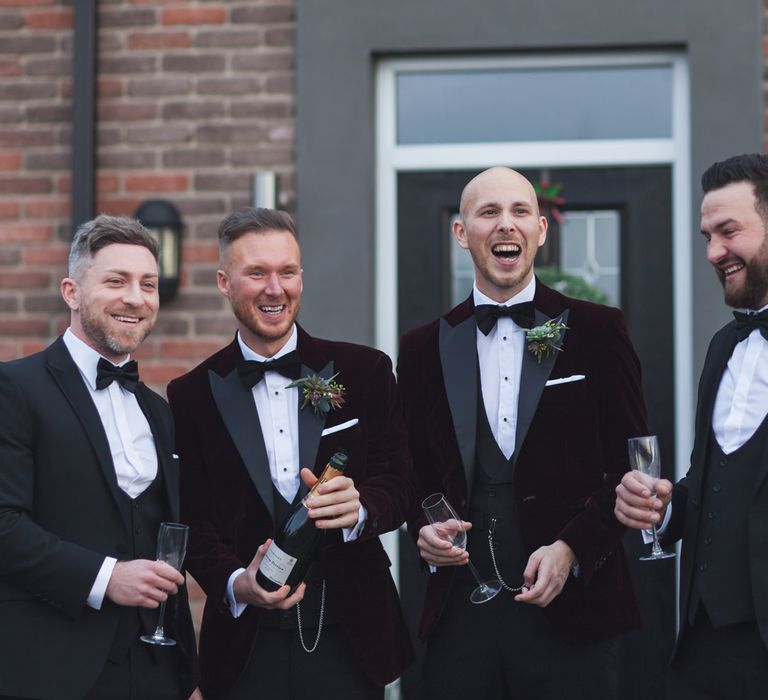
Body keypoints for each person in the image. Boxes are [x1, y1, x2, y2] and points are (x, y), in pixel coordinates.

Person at [397, 166, 649, 700]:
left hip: (575, 615)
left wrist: (571, 549)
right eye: (488, 213)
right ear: (462, 233)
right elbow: (409, 476)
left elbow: (633, 467)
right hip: (460, 620)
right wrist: (422, 528)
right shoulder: (422, 347)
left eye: (518, 212)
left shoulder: (600, 331)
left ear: (540, 229)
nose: (505, 225)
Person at [167, 207, 414, 700]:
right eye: (256, 273)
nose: (275, 289)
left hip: (353, 636)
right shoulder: (191, 395)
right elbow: (191, 520)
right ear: (224, 281)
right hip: (242, 650)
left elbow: (403, 479)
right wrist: (238, 584)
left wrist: (362, 507)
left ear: (301, 275)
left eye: (287, 271)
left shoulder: (365, 370)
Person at [0, 215, 198, 700]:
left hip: (156, 670)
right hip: (49, 670)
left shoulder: (159, 411)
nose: (136, 297)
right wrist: (106, 577)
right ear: (71, 291)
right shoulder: (14, 388)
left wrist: (186, 676)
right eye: (116, 281)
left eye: (148, 284)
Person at [615, 153, 768, 700]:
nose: (713, 253)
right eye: (707, 236)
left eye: (729, 232)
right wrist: (666, 506)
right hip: (702, 645)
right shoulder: (722, 346)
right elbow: (716, 478)